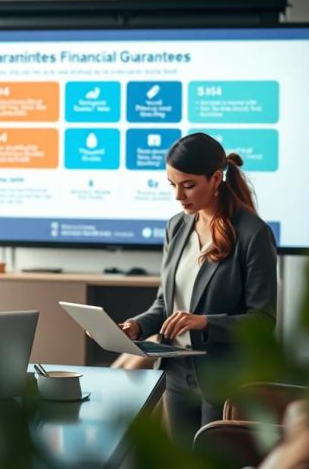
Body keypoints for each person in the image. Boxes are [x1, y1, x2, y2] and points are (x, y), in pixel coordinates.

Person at [121, 132, 277, 445]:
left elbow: (262, 321)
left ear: (216, 178)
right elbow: (165, 304)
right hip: (176, 370)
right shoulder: (176, 226)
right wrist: (138, 325)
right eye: (172, 184)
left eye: (188, 185)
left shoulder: (252, 234)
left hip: (224, 377)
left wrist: (204, 321)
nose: (178, 195)